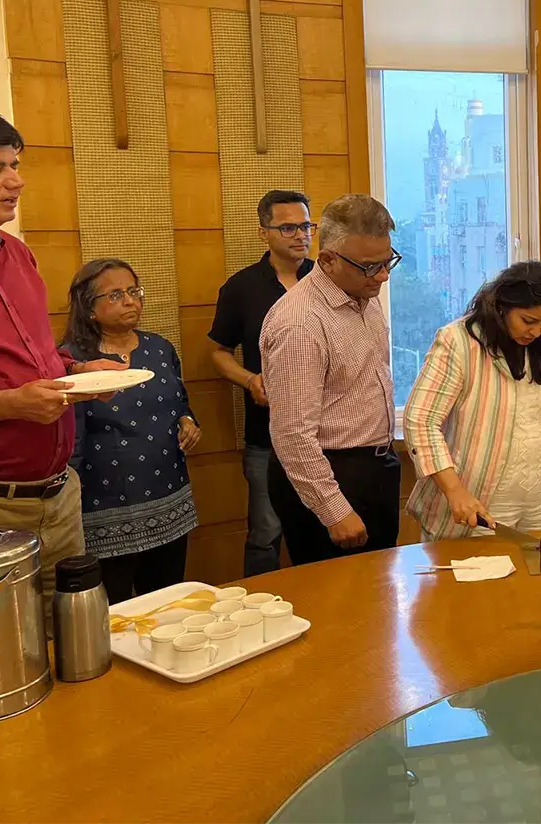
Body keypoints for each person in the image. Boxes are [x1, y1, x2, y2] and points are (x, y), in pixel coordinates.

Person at [0, 104, 119, 627]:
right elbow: (0, 391)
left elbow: (31, 358)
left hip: (58, 497)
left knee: (73, 644)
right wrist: (1, 406)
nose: (16, 181)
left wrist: (74, 374)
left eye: (15, 165)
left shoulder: (15, 253)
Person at [260, 194, 400, 566]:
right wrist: (333, 510)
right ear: (327, 261)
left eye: (388, 261)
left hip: (375, 468)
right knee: (337, 595)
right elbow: (292, 434)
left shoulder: (364, 294)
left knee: (379, 586)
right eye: (371, 266)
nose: (383, 276)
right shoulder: (299, 324)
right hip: (330, 475)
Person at [404, 261, 541, 539]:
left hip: (539, 500)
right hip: (478, 504)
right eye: (528, 321)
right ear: (501, 308)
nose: (536, 332)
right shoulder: (459, 341)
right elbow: (420, 420)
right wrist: (455, 490)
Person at [64, 259, 201, 604]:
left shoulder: (159, 348)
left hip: (168, 500)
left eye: (133, 291)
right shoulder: (74, 361)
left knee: (169, 602)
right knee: (116, 610)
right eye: (114, 295)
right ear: (89, 308)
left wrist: (187, 420)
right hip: (104, 509)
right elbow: (67, 435)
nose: (130, 301)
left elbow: (179, 401)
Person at [208, 189, 315, 577]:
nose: (300, 235)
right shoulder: (241, 288)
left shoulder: (327, 280)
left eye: (306, 226)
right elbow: (218, 352)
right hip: (265, 436)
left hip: (325, 434)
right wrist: (250, 379)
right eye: (288, 228)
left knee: (324, 527)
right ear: (263, 233)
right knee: (266, 533)